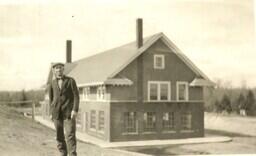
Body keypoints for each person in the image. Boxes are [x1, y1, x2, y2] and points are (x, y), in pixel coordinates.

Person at [49, 62, 80, 156]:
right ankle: (63, 153)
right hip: (56, 114)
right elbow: (51, 99)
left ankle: (72, 154)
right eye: (57, 68)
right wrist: (51, 112)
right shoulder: (52, 83)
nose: (59, 70)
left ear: (63, 69)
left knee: (70, 135)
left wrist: (75, 110)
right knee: (59, 136)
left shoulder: (71, 81)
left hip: (68, 113)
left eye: (60, 68)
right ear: (54, 70)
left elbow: (76, 96)